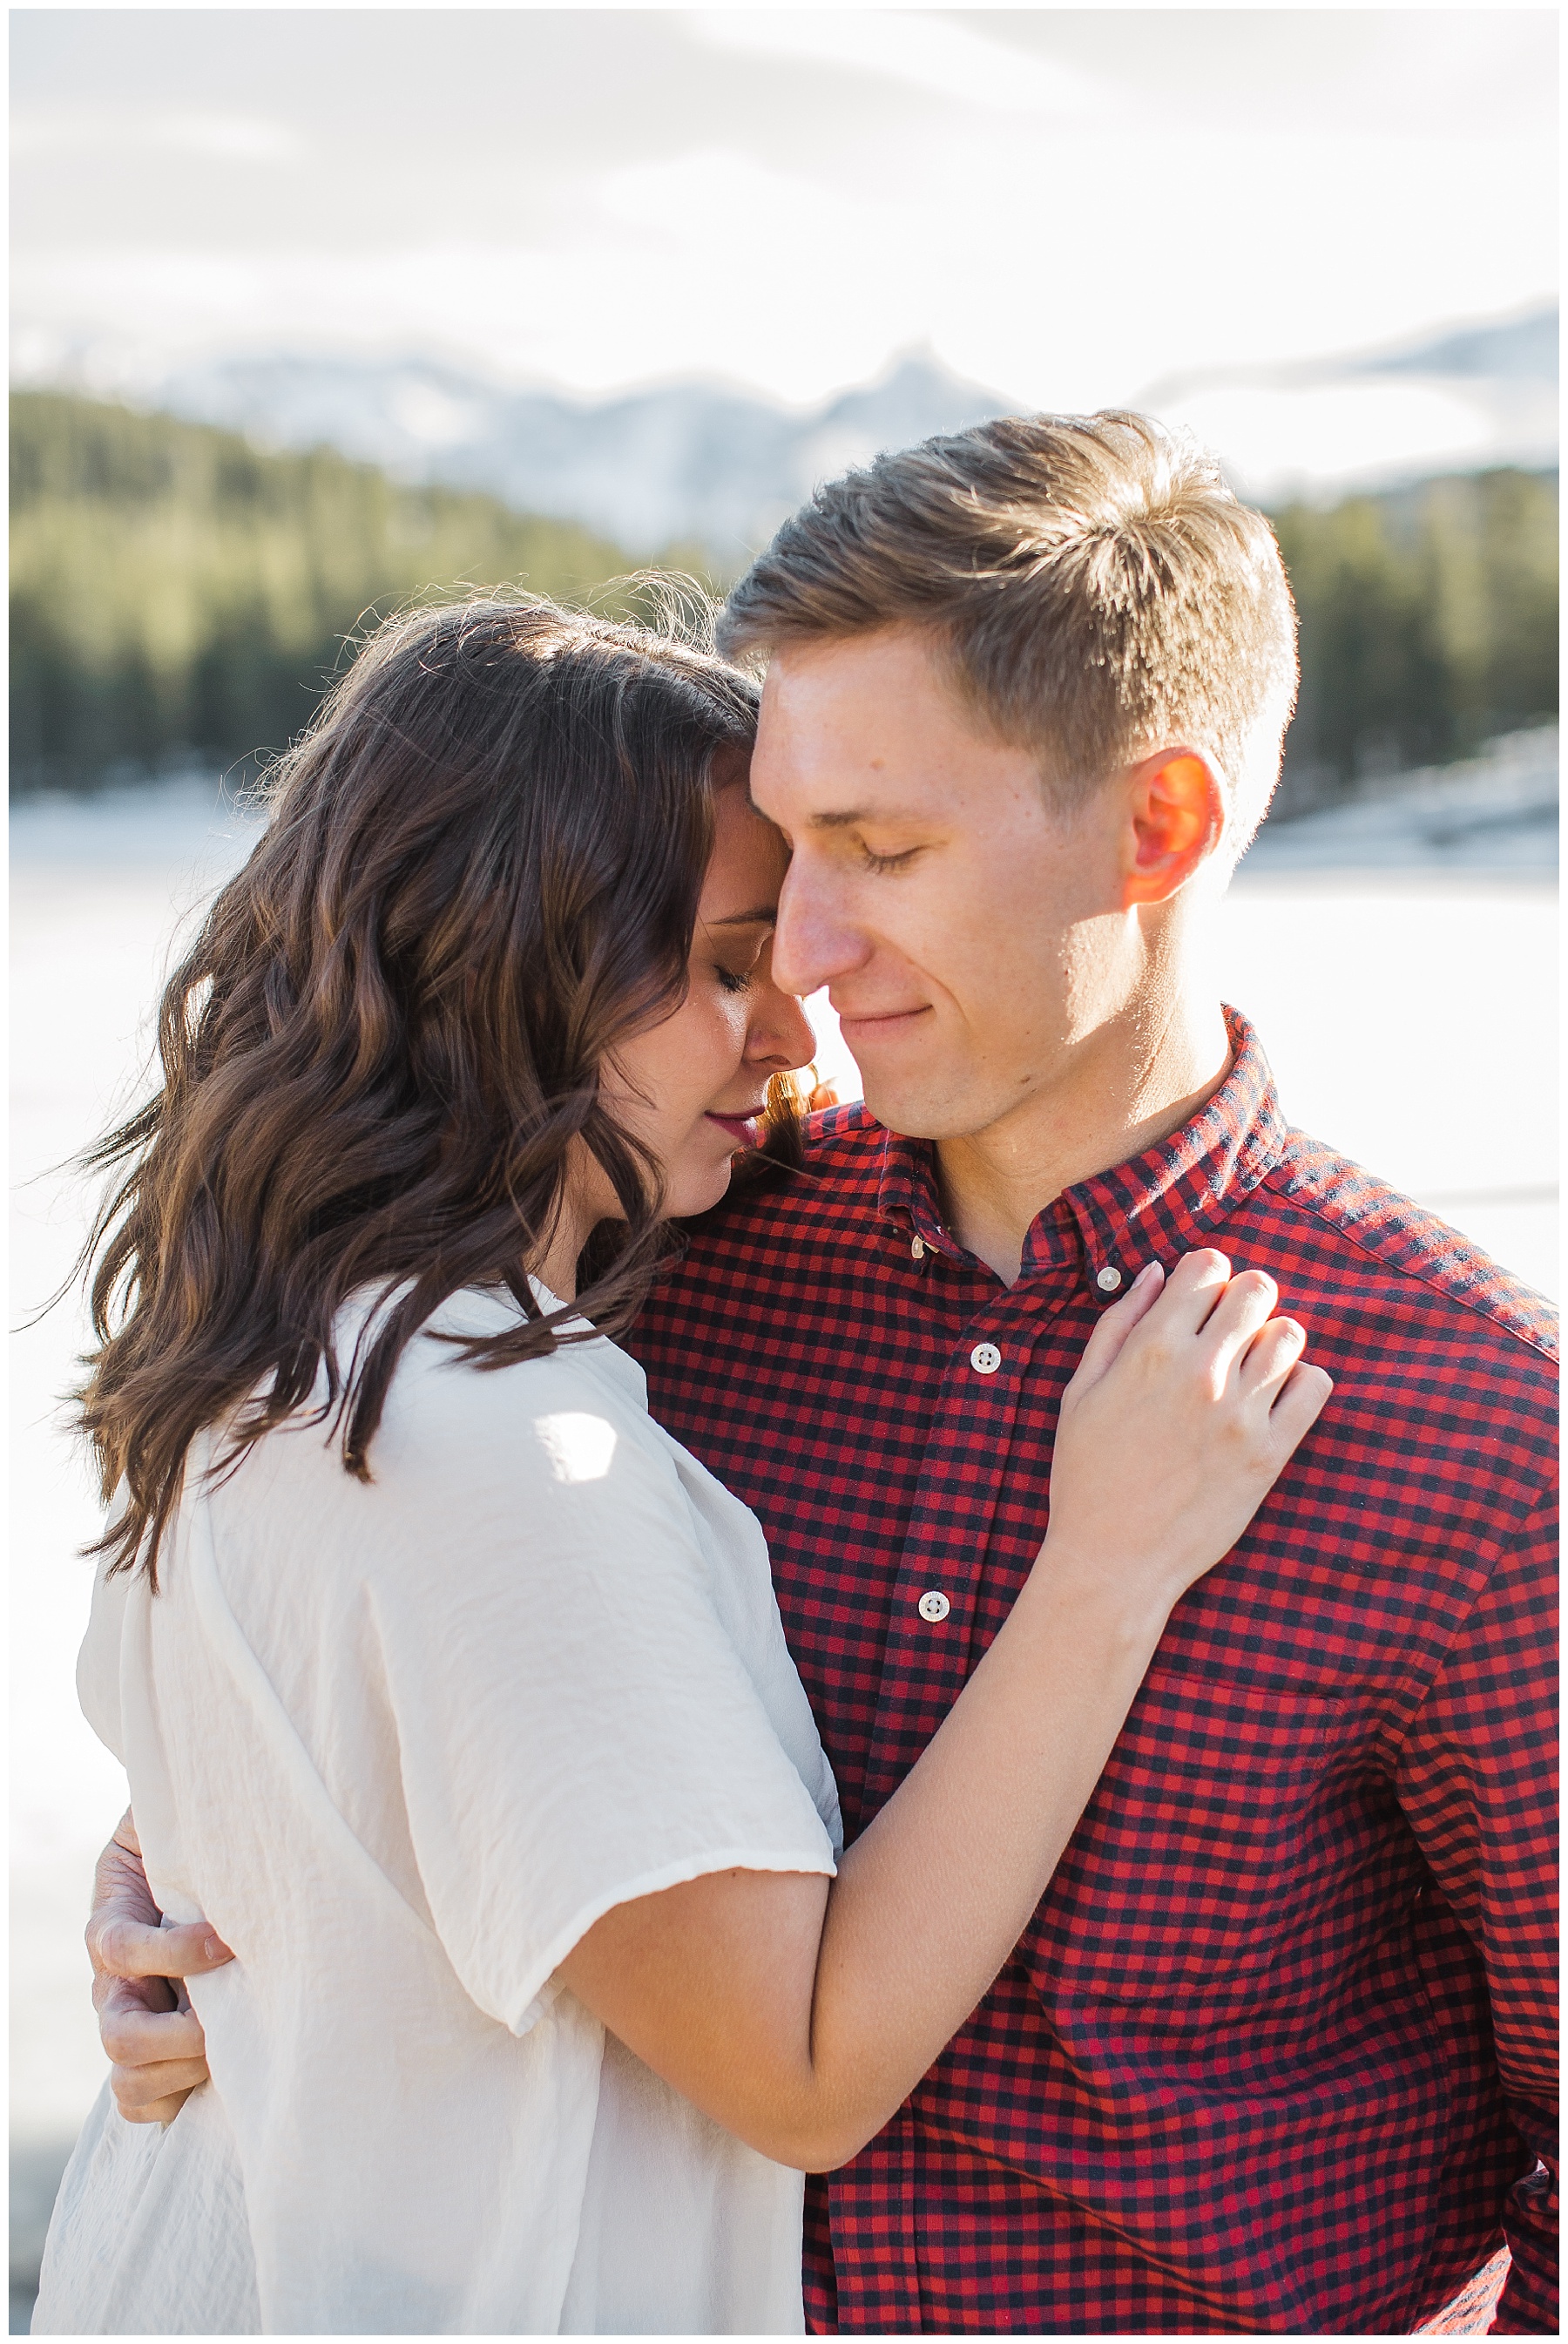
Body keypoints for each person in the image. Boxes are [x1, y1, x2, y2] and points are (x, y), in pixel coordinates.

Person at [84, 414, 1558, 2334]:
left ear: (1159, 829)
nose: (807, 950)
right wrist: (209, 1890)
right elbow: (419, 1662)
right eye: (781, 861)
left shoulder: (1474, 1426)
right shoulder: (657, 1256)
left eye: (880, 849)